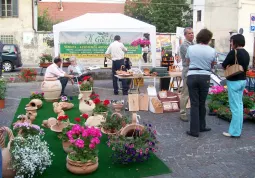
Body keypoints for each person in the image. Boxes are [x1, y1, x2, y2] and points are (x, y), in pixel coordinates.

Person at [185, 29, 216, 137]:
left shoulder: (190, 48)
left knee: (194, 103)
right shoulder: (212, 50)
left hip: (192, 75)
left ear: (198, 37)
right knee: (202, 102)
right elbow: (212, 65)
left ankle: (194, 130)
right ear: (208, 39)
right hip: (205, 76)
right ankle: (202, 126)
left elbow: (187, 62)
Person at [222, 34, 250, 137]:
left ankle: (234, 132)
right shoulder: (246, 53)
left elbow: (224, 65)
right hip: (242, 80)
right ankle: (238, 130)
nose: (231, 43)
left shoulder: (233, 52)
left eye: (231, 41)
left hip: (233, 81)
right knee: (239, 105)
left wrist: (228, 66)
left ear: (235, 42)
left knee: (235, 107)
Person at [179, 27, 194, 122]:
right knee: (185, 93)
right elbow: (192, 58)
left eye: (192, 33)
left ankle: (193, 111)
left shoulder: (194, 44)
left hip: (194, 71)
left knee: (193, 94)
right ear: (185, 35)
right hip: (188, 71)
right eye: (189, 33)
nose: (192, 34)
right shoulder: (184, 46)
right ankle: (182, 113)